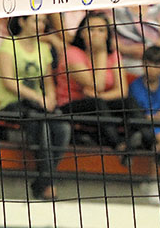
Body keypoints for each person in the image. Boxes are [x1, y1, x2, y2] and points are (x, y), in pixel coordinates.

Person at [0, 13, 71, 200]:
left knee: (63, 127)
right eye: (36, 20)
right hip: (12, 103)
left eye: (43, 21)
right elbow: (8, 82)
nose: (41, 25)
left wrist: (50, 98)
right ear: (22, 22)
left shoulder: (44, 49)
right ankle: (48, 184)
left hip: (38, 105)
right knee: (41, 124)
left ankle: (42, 181)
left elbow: (48, 82)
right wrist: (38, 97)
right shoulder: (8, 45)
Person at [55, 13, 129, 149]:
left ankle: (149, 141)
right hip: (71, 105)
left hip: (100, 102)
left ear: (107, 35)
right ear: (82, 33)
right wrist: (101, 53)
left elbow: (122, 91)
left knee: (129, 103)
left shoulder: (114, 55)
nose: (96, 34)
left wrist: (99, 96)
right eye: (91, 29)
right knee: (97, 104)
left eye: (101, 30)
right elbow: (97, 85)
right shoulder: (71, 53)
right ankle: (119, 145)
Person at [127, 46, 160, 202]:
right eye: (149, 64)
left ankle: (152, 180)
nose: (152, 68)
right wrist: (157, 116)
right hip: (144, 125)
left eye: (157, 65)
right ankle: (153, 181)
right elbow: (140, 114)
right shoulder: (135, 86)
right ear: (142, 64)